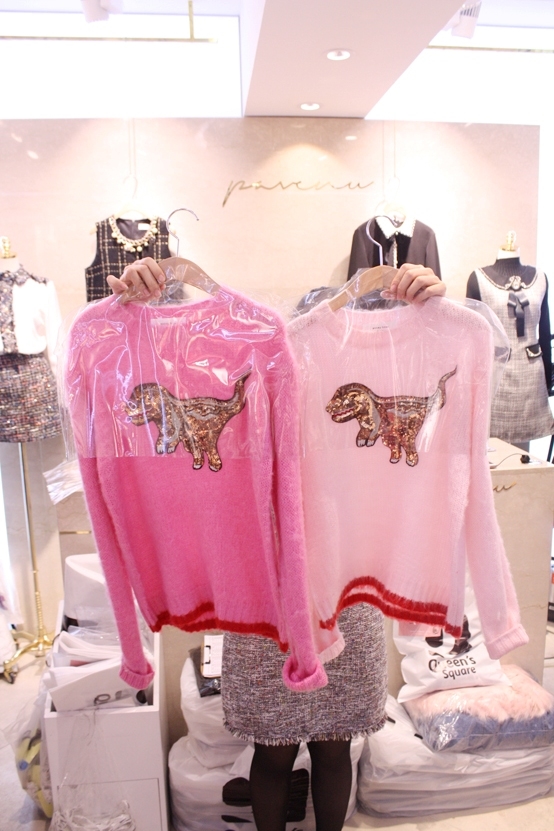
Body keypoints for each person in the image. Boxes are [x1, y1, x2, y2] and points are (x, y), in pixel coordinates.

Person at [108, 258, 446, 831]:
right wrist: (143, 302)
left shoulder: (359, 418)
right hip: (264, 600)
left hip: (345, 601)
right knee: (271, 751)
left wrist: (430, 310)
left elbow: (424, 452)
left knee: (336, 748)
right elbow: (171, 389)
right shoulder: (258, 398)